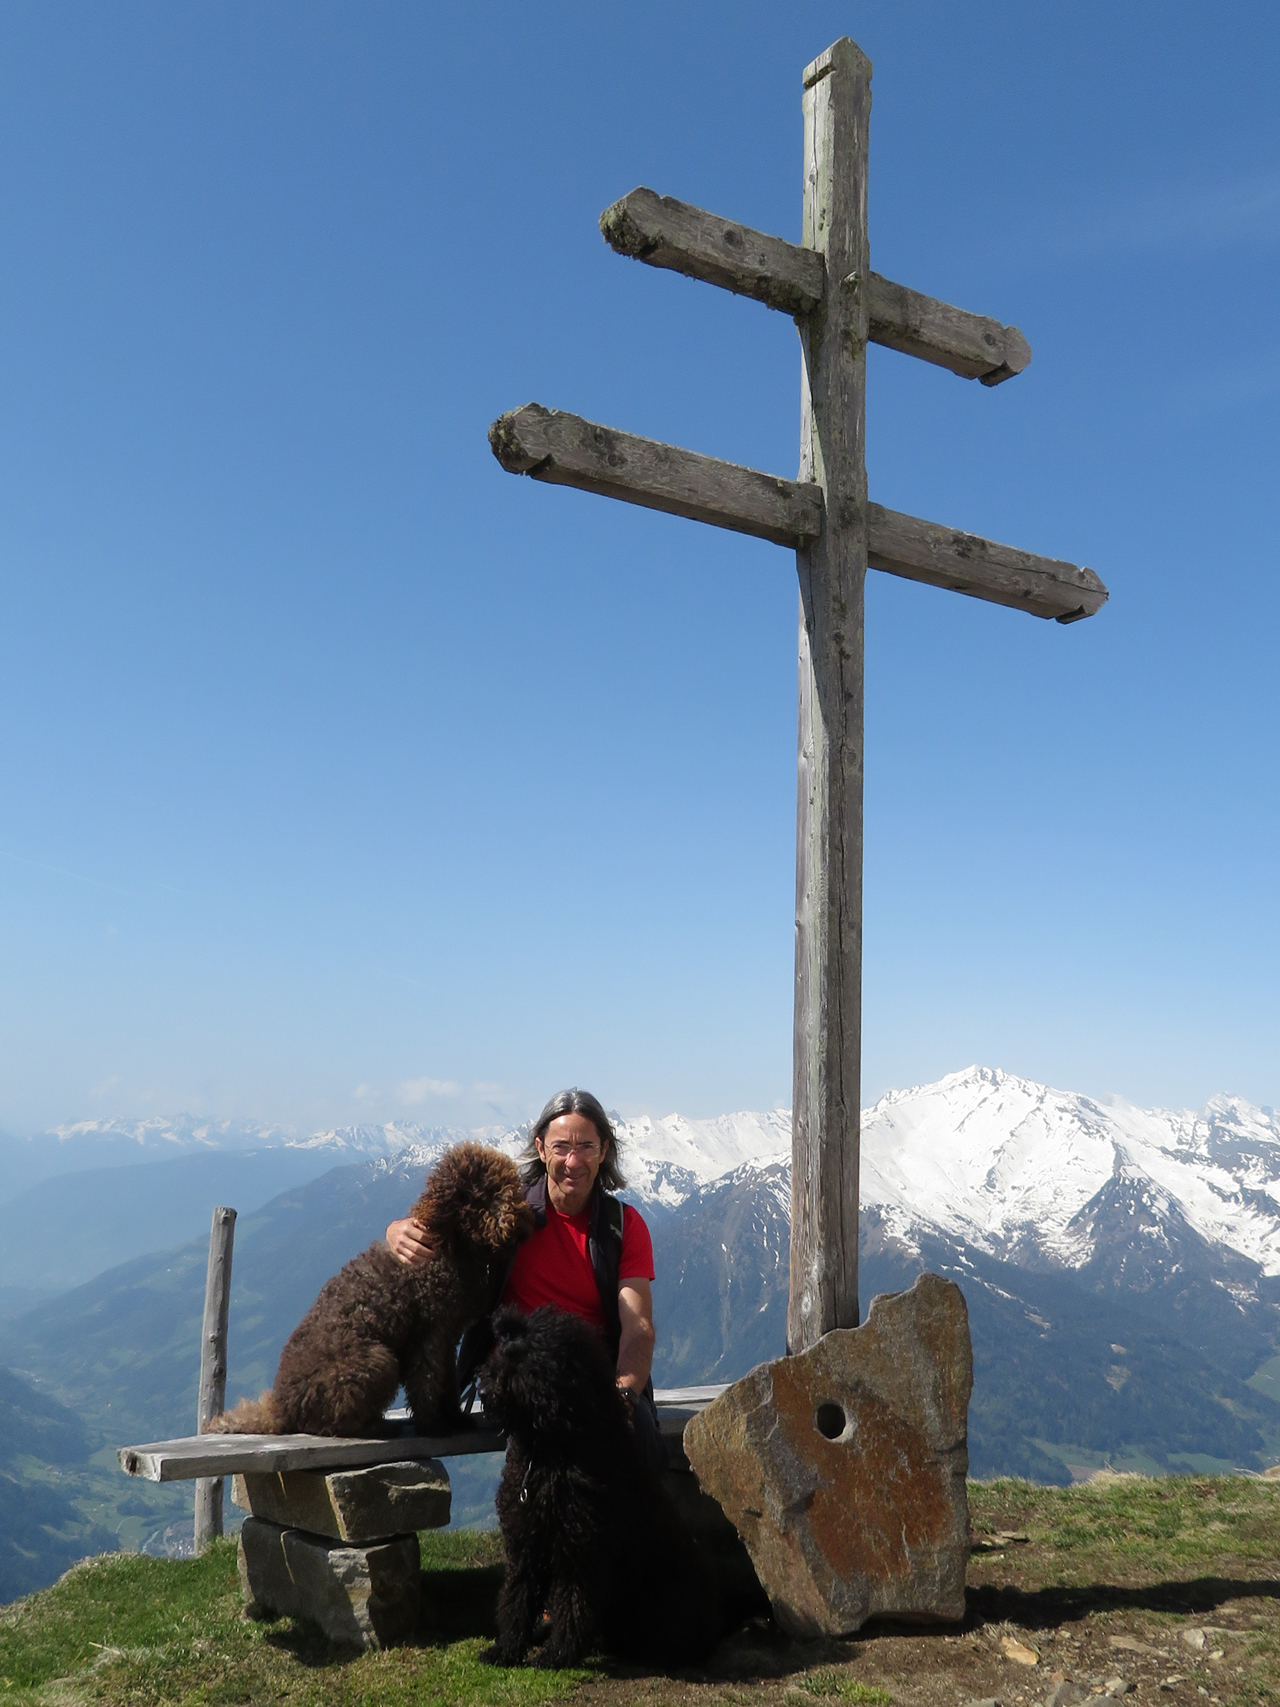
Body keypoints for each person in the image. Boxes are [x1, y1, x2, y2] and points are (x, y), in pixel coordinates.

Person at [386, 1087, 665, 1471]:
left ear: (603, 1151)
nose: (573, 1160)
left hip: (594, 1373)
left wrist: (624, 1396)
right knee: (557, 1423)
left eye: (585, 1146)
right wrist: (397, 1229)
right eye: (561, 1146)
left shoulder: (623, 1226)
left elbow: (639, 1329)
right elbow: (442, 1227)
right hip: (516, 1372)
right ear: (540, 1148)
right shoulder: (507, 1214)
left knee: (637, 1437)